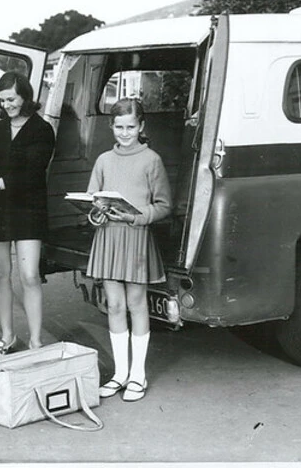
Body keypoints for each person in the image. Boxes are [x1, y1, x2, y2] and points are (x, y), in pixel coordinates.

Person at [86, 97, 171, 402]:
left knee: (137, 304)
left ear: (141, 126)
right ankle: (120, 374)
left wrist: (136, 217)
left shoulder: (152, 160)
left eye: (130, 127)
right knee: (115, 305)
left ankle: (138, 375)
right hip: (108, 238)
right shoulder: (104, 160)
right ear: (111, 126)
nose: (125, 133)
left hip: (135, 237)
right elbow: (91, 199)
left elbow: (163, 206)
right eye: (119, 127)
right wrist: (95, 212)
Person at [0, 71, 55, 356]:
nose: (6, 105)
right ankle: (7, 337)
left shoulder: (42, 130)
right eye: (2, 100)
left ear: (26, 97)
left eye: (11, 99)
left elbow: (33, 174)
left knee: (30, 275)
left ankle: (35, 341)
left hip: (28, 208)